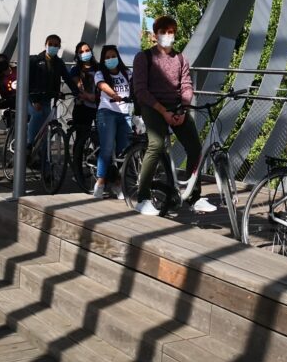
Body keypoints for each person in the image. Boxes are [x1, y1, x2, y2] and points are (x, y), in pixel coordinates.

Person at [131, 16, 215, 216]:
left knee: (195, 147)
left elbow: (186, 85)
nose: (167, 36)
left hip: (177, 108)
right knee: (156, 145)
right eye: (163, 32)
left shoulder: (181, 59)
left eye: (171, 32)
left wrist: (183, 109)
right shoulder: (143, 58)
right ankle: (142, 197)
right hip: (152, 107)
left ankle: (194, 196)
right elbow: (141, 90)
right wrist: (164, 112)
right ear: (155, 34)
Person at [92, 45, 133, 200]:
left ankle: (118, 183)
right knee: (107, 148)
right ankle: (100, 182)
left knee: (124, 151)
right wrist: (114, 94)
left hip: (125, 114)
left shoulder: (127, 73)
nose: (110, 59)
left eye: (113, 56)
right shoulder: (100, 73)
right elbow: (102, 85)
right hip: (107, 112)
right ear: (103, 59)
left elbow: (135, 87)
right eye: (107, 57)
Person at [26, 34, 77, 147]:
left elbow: (67, 78)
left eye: (56, 45)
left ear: (59, 48)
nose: (53, 47)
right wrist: (34, 100)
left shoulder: (59, 63)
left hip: (47, 98)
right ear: (45, 45)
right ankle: (28, 144)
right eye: (50, 44)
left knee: (45, 125)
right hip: (32, 98)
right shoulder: (35, 60)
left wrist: (77, 92)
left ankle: (43, 157)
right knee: (38, 115)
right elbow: (28, 81)